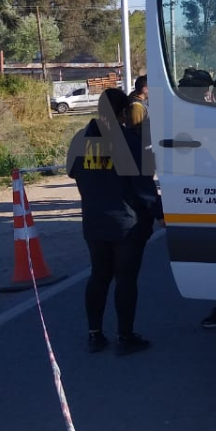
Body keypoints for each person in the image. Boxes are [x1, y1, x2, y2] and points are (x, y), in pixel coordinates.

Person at [67, 88, 162, 356]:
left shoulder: (80, 139)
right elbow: (144, 189)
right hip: (126, 224)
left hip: (94, 221)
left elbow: (73, 172)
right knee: (125, 280)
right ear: (122, 113)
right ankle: (124, 336)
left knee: (98, 276)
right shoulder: (130, 142)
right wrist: (160, 213)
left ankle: (94, 335)